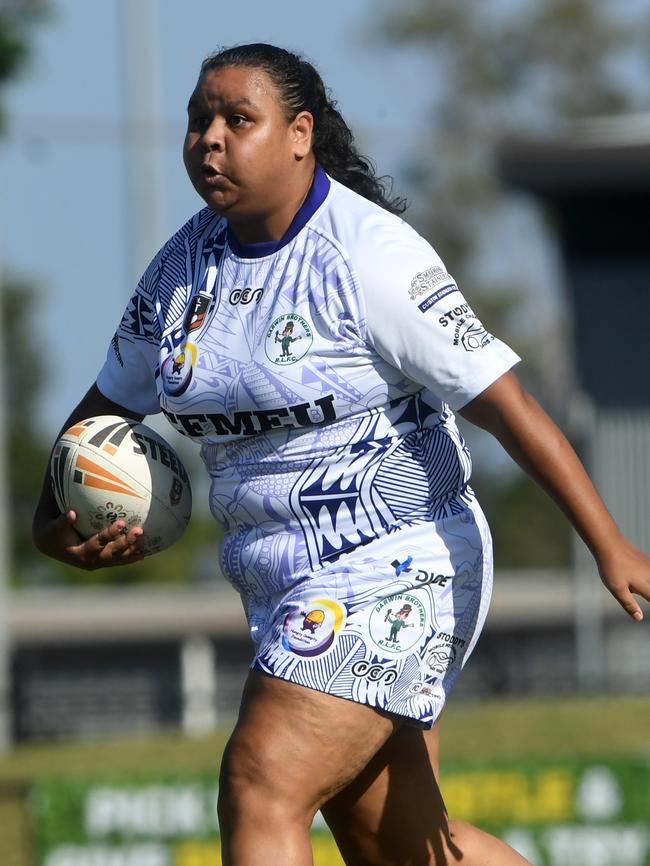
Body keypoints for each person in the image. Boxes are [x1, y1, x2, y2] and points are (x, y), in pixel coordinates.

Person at [32, 42, 650, 866]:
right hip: (278, 581)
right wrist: (56, 532)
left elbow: (509, 406)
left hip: (400, 560)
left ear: (299, 134)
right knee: (402, 851)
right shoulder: (181, 272)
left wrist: (609, 543)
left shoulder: (370, 255)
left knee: (261, 779)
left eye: (236, 120)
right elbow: (95, 420)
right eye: (198, 120)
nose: (209, 138)